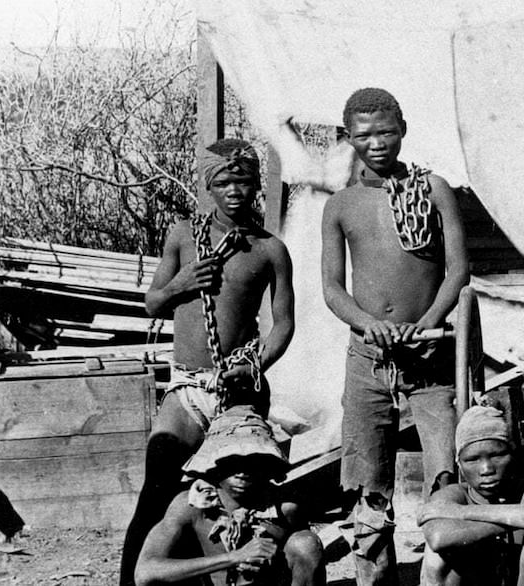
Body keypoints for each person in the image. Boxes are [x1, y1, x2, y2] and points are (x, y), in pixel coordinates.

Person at [123, 139, 296, 586]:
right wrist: (182, 282)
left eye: (243, 181)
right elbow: (153, 303)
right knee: (158, 486)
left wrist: (256, 363)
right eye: (223, 182)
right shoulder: (183, 234)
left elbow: (283, 324)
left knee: (242, 495)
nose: (234, 191)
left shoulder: (269, 249)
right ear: (209, 187)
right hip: (188, 387)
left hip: (241, 389)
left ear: (256, 186)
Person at [321, 87, 471, 585]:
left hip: (430, 357)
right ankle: (374, 579)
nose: (377, 143)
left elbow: (457, 271)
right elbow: (332, 288)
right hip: (368, 358)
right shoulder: (341, 205)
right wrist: (370, 323)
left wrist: (428, 323)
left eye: (386, 132)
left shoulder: (434, 190)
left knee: (448, 474)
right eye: (364, 135)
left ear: (402, 130)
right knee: (368, 488)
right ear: (349, 139)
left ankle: (445, 575)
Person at [134, 407, 324, 586]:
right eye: (232, 461)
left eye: (252, 461)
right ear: (214, 465)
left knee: (305, 543)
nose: (242, 472)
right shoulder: (192, 505)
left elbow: (309, 565)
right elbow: (145, 573)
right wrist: (233, 557)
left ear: (266, 465)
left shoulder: (285, 508)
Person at [420, 405, 524, 586]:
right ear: (459, 464)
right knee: (442, 552)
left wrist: (461, 513)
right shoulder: (452, 495)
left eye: (497, 455)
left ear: (512, 455)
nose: (486, 469)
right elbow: (438, 538)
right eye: (473, 459)